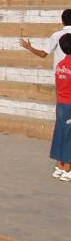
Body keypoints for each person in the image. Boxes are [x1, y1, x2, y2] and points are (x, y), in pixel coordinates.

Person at [50, 33, 71, 181]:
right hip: (70, 103)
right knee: (69, 135)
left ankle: (59, 166)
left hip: (61, 102)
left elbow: (58, 85)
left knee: (60, 133)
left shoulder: (60, 65)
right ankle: (67, 169)